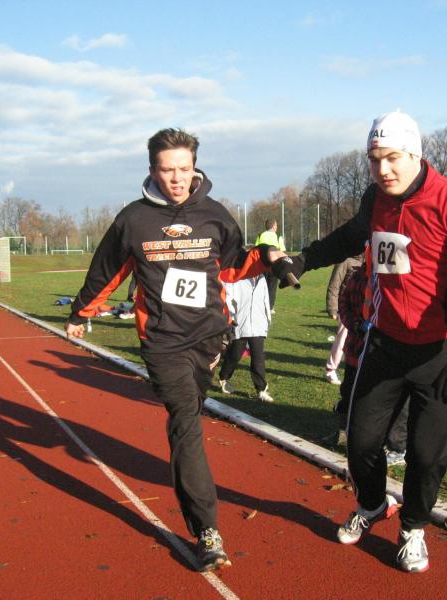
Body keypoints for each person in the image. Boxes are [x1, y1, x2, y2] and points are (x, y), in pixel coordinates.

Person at [276, 110, 447, 573]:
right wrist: (304, 259)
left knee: (426, 453)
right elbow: (350, 236)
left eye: (392, 158)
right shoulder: (376, 199)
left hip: (443, 349)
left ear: (415, 155)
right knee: (360, 440)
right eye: (373, 159)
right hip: (385, 343)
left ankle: (413, 528)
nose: (382, 169)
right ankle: (372, 504)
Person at [65, 128, 286, 572]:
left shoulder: (214, 214)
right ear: (152, 171)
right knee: (186, 420)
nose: (177, 178)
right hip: (162, 340)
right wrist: (80, 312)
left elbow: (232, 265)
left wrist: (268, 258)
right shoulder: (133, 220)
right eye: (168, 170)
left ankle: (193, 491)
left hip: (209, 336)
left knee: (191, 410)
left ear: (195, 167)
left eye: (184, 169)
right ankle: (207, 530)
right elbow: (106, 270)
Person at [333, 260, 409, 464]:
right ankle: (345, 433)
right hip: (356, 349)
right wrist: (356, 324)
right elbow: (344, 303)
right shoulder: (359, 275)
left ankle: (396, 446)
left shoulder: (395, 277)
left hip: (383, 353)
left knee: (390, 400)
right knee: (348, 393)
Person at [218, 273, 274, 402]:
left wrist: (267, 321)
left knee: (258, 356)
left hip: (258, 324)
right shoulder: (237, 278)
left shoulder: (261, 278)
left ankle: (261, 389)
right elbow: (229, 298)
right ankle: (224, 378)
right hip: (240, 323)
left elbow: (266, 300)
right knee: (235, 354)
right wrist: (231, 319)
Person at [324, 254, 365, 385]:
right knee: (342, 339)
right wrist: (332, 308)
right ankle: (330, 370)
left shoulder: (367, 260)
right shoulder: (345, 260)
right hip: (346, 308)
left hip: (363, 308)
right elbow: (334, 285)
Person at [254, 219, 285, 313]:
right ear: (273, 226)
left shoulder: (260, 235)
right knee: (272, 286)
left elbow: (256, 249)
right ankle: (270, 307)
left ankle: (260, 305)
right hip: (274, 265)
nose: (277, 227)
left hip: (261, 264)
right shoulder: (278, 236)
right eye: (276, 225)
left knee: (261, 285)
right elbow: (282, 251)